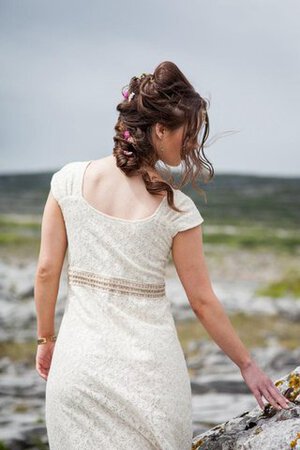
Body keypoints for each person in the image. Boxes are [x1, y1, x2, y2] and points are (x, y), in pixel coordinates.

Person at [34, 61, 290, 450]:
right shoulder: (178, 210)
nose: (190, 147)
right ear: (158, 130)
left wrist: (45, 339)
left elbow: (46, 270)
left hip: (78, 371)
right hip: (150, 382)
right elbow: (202, 301)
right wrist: (247, 365)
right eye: (187, 135)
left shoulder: (67, 181)